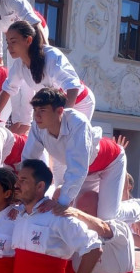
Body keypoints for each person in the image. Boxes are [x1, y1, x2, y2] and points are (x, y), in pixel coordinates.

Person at [21, 88, 125, 220]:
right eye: (35, 110)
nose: (37, 116)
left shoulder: (77, 122)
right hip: (85, 170)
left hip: (111, 163)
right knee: (77, 212)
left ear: (59, 111)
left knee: (107, 217)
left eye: (42, 110)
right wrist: (22, 193)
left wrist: (61, 203)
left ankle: (139, 207)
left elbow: (77, 169)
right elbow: (29, 161)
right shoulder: (37, 126)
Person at [0, 21, 93, 131]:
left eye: (13, 42)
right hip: (53, 109)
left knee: (70, 141)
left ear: (28, 40)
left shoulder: (51, 56)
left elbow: (72, 85)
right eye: (8, 42)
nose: (9, 47)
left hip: (80, 103)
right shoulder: (19, 66)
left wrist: (64, 117)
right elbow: (8, 89)